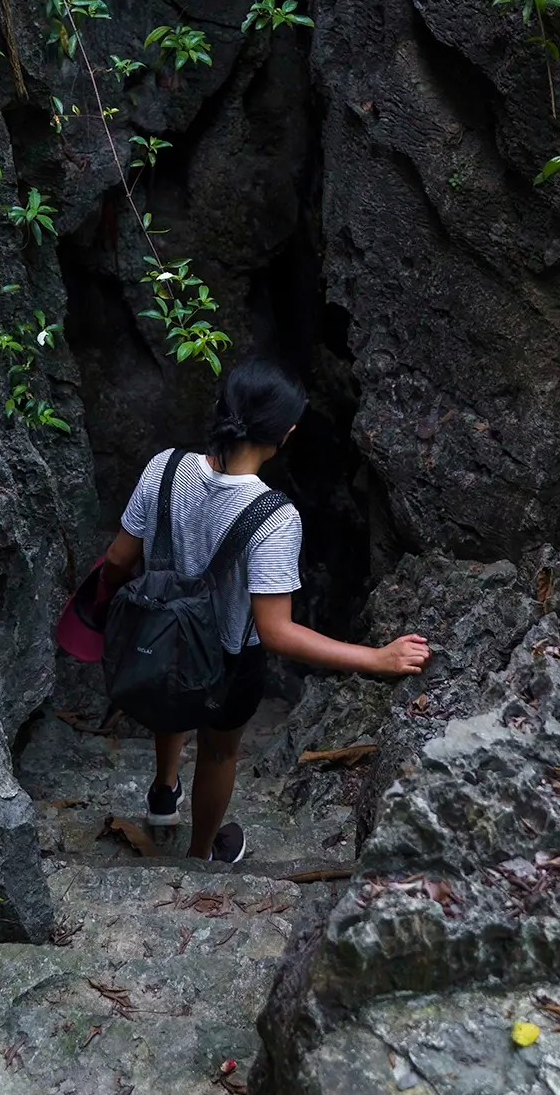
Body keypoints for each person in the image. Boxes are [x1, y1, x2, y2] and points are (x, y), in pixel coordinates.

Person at [100, 357, 430, 865]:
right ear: (287, 435)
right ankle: (200, 854)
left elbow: (119, 559)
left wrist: (105, 609)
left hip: (158, 632)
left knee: (171, 670)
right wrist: (376, 658)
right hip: (228, 663)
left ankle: (164, 792)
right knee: (218, 750)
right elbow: (276, 633)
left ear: (218, 409)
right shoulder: (274, 517)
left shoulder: (163, 468)